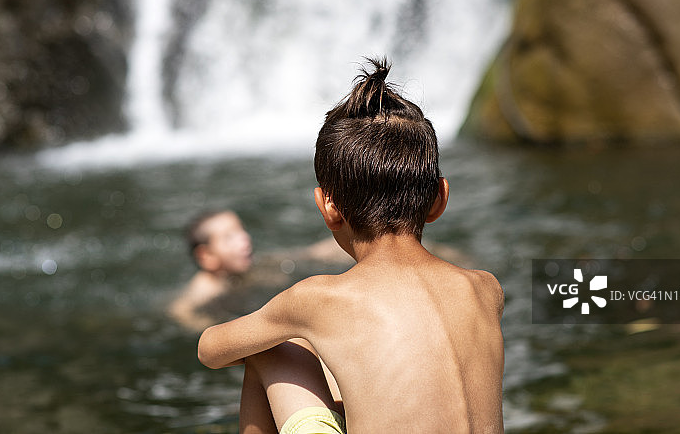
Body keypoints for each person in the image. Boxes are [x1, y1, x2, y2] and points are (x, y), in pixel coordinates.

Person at [198, 57, 505, 433]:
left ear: (328, 207)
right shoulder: (486, 290)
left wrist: (304, 343)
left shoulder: (318, 300)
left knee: (273, 349)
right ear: (440, 198)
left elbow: (210, 349)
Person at [169, 210, 254, 331]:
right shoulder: (206, 289)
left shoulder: (238, 272)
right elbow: (179, 312)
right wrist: (212, 327)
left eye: (242, 230)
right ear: (207, 255)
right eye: (229, 237)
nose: (245, 240)